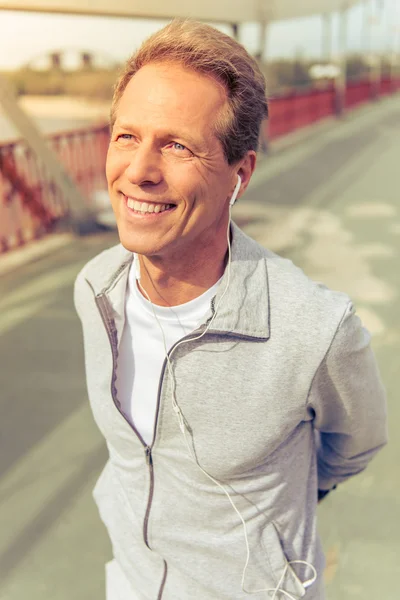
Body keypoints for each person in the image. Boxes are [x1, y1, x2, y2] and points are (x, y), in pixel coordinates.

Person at [74, 19, 387, 600]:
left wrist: (276, 523)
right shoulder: (96, 288)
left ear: (239, 174)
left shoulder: (316, 330)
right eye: (126, 136)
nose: (139, 171)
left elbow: (354, 447)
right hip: (131, 583)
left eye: (176, 145)